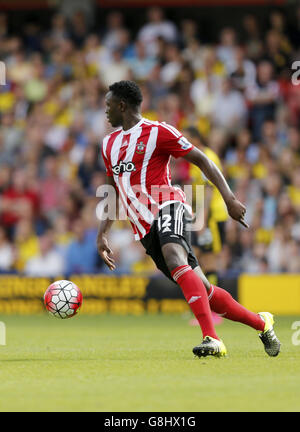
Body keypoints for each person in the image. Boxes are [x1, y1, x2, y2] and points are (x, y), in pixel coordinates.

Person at [97, 80, 280, 358]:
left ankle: (212, 338)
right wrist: (102, 233)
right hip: (143, 226)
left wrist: (229, 198)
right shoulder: (108, 144)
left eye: (108, 105)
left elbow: (203, 160)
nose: (105, 111)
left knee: (174, 257)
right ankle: (261, 323)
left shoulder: (158, 131)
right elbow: (113, 189)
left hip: (168, 204)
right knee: (204, 290)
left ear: (122, 105)